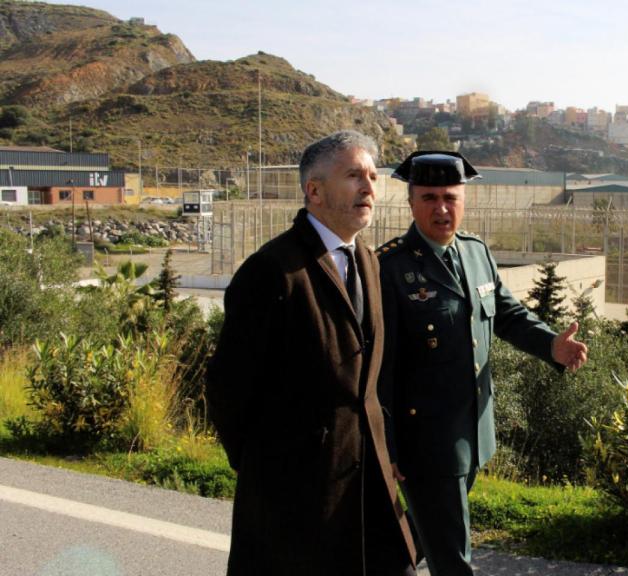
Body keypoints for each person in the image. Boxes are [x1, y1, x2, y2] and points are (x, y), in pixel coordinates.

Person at [206, 131, 417, 576]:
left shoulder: (369, 261)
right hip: (295, 492)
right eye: (354, 175)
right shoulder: (273, 271)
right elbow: (229, 389)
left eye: (373, 177)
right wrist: (269, 466)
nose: (369, 187)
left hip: (368, 485)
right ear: (314, 190)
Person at [377, 151, 588, 576]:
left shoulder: (475, 253)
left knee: (421, 540)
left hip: (473, 432)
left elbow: (508, 315)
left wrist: (552, 346)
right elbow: (382, 366)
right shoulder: (390, 267)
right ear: (411, 202)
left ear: (463, 200)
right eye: (429, 197)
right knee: (454, 557)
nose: (441, 208)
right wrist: (390, 446)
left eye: (450, 197)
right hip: (428, 444)